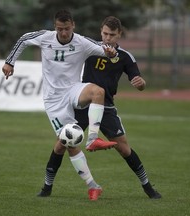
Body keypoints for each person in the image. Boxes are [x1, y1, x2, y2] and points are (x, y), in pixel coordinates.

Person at [38, 16, 162, 199]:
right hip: (81, 104)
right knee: (61, 145)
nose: (107, 38)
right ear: (100, 32)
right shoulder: (89, 47)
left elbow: (139, 82)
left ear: (119, 34)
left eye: (112, 35)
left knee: (124, 148)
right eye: (105, 33)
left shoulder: (125, 57)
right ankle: (47, 187)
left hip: (106, 107)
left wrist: (141, 83)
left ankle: (147, 187)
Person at [2, 9, 118, 201]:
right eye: (59, 29)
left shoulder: (81, 42)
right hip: (54, 100)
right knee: (68, 143)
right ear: (55, 27)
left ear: (73, 25)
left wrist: (111, 53)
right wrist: (10, 62)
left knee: (98, 92)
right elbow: (23, 39)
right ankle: (92, 186)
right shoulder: (45, 37)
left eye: (66, 28)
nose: (63, 33)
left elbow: (106, 51)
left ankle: (93, 139)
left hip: (73, 90)